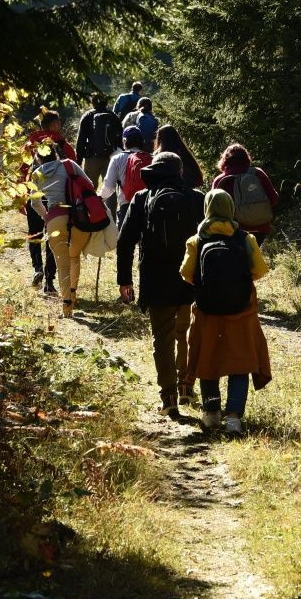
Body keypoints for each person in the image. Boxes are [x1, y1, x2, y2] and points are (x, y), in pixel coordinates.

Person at [117, 152, 205, 417]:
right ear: (180, 172)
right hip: (191, 279)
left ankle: (169, 398)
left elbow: (125, 241)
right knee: (187, 334)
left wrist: (125, 279)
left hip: (156, 280)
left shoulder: (142, 198)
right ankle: (187, 386)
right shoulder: (197, 198)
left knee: (162, 339)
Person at [180, 189, 272, 436]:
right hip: (241, 312)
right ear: (231, 209)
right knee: (240, 364)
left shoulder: (196, 241)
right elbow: (260, 271)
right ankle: (233, 418)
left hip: (207, 313)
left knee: (208, 361)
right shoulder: (246, 239)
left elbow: (186, 274)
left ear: (207, 209)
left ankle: (211, 414)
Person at [28, 142, 102, 318]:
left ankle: (67, 306)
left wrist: (47, 217)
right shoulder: (69, 164)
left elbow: (34, 203)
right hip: (78, 218)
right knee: (74, 256)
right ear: (55, 153)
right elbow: (90, 184)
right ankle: (73, 295)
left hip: (55, 218)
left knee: (62, 264)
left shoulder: (36, 174)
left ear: (38, 158)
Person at [19, 107, 76, 295]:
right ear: (56, 124)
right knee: (54, 237)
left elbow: (22, 170)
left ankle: (37, 268)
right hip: (57, 199)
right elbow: (73, 169)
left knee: (34, 233)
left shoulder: (30, 143)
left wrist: (21, 196)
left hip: (34, 192)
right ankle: (49, 282)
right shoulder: (63, 144)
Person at [211, 144, 279, 246]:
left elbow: (212, 210)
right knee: (253, 252)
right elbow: (274, 199)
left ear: (225, 161)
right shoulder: (257, 173)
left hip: (233, 231)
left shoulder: (219, 180)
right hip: (260, 227)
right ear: (246, 158)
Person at [99, 127, 152, 228]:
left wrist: (100, 198)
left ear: (124, 141)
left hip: (127, 206)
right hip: (148, 205)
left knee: (126, 238)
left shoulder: (117, 158)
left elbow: (109, 188)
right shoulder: (151, 158)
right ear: (142, 141)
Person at [76, 93, 122, 187]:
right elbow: (120, 136)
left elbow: (81, 139)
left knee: (90, 188)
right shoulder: (113, 116)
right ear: (106, 103)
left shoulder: (87, 116)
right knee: (110, 188)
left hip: (92, 157)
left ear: (92, 103)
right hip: (110, 157)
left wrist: (79, 160)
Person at [154, 125, 204, 190]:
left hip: (164, 192)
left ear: (160, 138)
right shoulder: (183, 152)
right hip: (186, 192)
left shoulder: (157, 156)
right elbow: (197, 177)